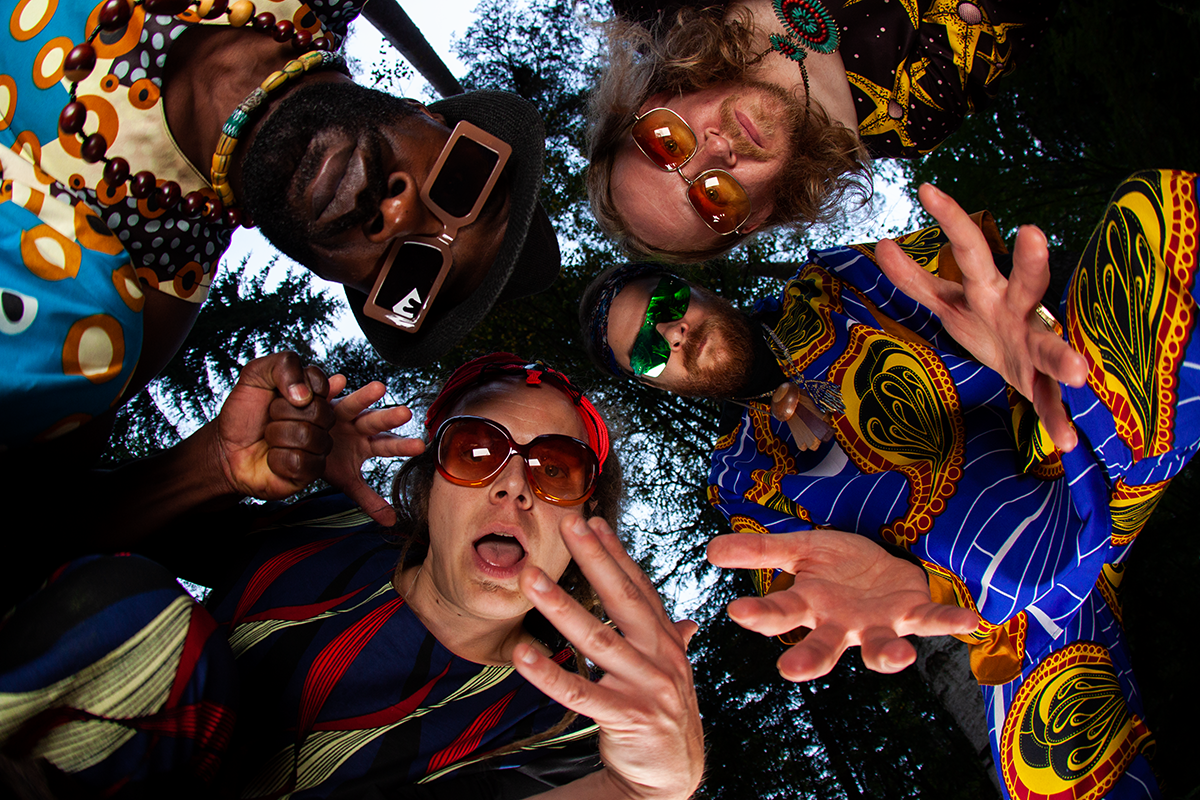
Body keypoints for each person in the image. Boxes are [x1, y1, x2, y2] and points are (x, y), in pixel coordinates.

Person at [580, 169, 1199, 798]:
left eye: (666, 306)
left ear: (698, 287)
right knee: (1051, 775)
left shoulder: (837, 284)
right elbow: (802, 600)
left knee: (1161, 226)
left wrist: (1033, 331)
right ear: (658, 384)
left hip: (1086, 440)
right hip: (1012, 605)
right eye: (647, 353)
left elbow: (988, 292)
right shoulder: (740, 481)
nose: (672, 334)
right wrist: (895, 589)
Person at [0, 353, 705, 799]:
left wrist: (645, 789)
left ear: (587, 523)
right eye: (475, 450)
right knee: (138, 619)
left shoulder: (565, 720)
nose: (513, 486)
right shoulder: (331, 528)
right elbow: (53, 545)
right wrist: (212, 466)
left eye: (555, 471)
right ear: (427, 488)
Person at [0, 0, 560, 455]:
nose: (400, 216)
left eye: (408, 280)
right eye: (462, 182)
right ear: (431, 114)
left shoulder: (103, 310)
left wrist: (216, 467)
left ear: (343, 281)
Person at [587, 0, 1054, 262]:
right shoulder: (917, 113)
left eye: (667, 144)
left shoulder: (662, 4)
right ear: (758, 214)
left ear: (653, 104)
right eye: (715, 199)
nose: (716, 150)